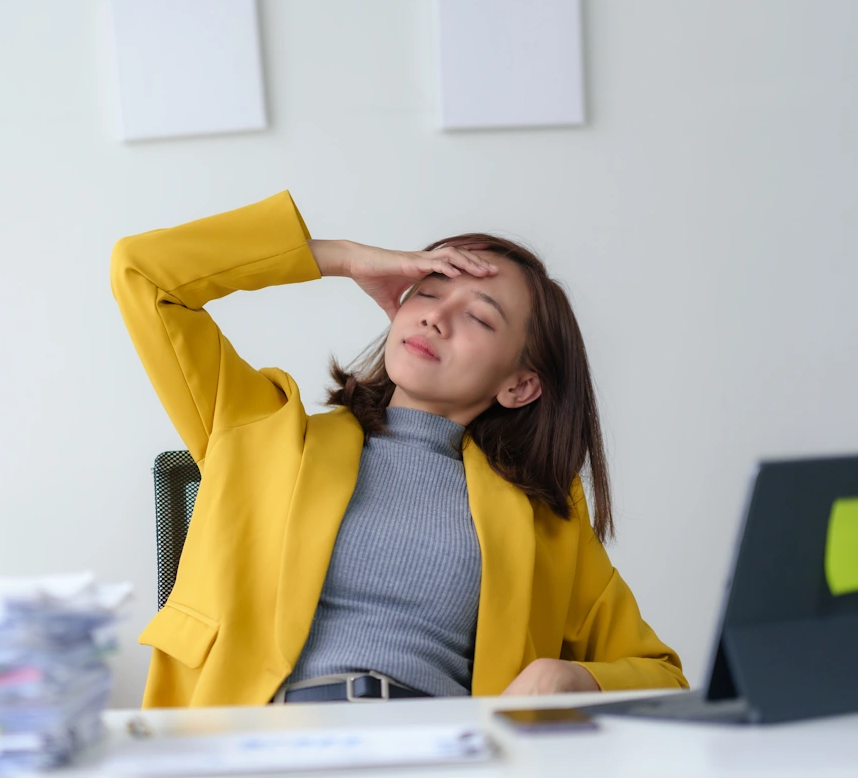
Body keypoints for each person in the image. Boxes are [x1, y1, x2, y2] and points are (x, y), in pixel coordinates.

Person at [111, 191, 687, 707]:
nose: (436, 316)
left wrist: (570, 679)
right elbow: (144, 275)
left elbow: (662, 675)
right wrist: (341, 258)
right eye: (428, 291)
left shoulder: (545, 516)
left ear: (519, 385)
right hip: (263, 744)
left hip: (443, 749)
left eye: (480, 319)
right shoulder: (262, 429)